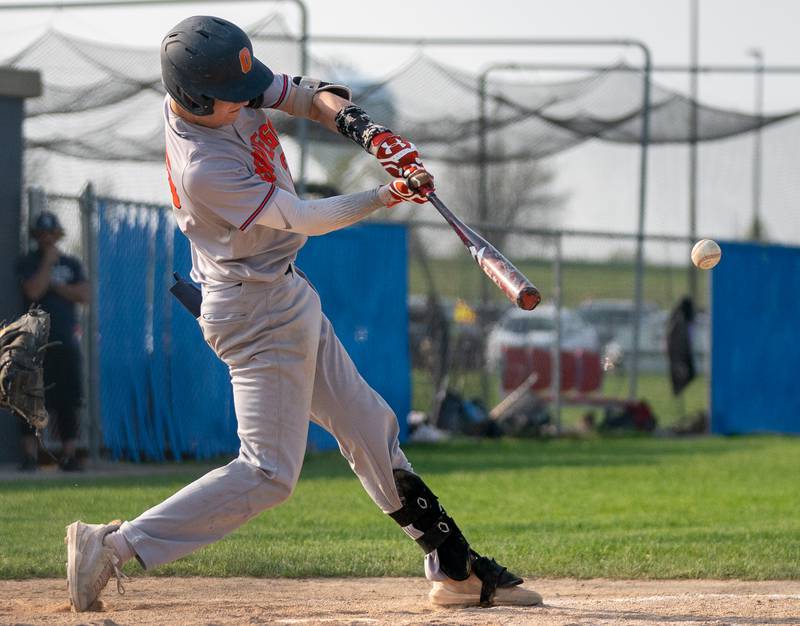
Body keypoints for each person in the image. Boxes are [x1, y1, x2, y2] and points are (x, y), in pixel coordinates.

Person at [65, 16, 542, 612]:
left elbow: (304, 97)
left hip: (281, 295)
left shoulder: (219, 84)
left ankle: (455, 568)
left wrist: (365, 130)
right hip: (252, 312)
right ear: (193, 98)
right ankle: (111, 547)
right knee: (268, 472)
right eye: (233, 99)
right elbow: (304, 219)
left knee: (370, 427)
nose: (247, 102)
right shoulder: (204, 167)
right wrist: (387, 195)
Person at [17, 211, 89, 471]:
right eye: (42, 234)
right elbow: (34, 290)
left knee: (67, 398)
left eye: (51, 234)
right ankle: (29, 456)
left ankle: (69, 455)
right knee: (30, 397)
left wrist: (56, 287)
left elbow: (84, 293)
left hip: (64, 340)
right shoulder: (29, 262)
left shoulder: (70, 263)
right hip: (34, 340)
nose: (47, 239)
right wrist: (47, 264)